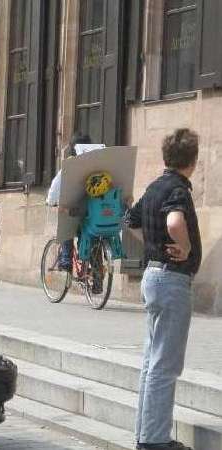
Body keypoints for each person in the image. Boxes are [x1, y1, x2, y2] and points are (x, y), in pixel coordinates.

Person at [127, 128, 201, 450]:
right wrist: (182, 247)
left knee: (151, 362)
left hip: (153, 276)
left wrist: (154, 246)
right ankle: (154, 441)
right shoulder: (178, 190)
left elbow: (130, 220)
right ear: (193, 161)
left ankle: (145, 434)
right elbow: (174, 222)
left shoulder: (155, 186)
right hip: (172, 281)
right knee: (165, 365)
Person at [46, 133, 91, 271]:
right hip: (96, 210)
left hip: (76, 211)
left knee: (67, 226)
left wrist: (50, 201)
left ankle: (66, 259)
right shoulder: (97, 162)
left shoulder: (71, 164)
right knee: (90, 232)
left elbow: (55, 187)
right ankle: (95, 270)